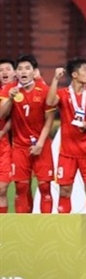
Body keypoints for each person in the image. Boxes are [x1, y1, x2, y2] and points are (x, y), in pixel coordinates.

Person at [0, 55, 55, 213]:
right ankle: (23, 225)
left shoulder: (44, 90)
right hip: (19, 147)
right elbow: (2, 115)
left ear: (34, 71)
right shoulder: (9, 89)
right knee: (21, 188)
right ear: (16, 73)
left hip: (42, 146)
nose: (23, 71)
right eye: (20, 69)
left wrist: (40, 144)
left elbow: (49, 120)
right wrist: (10, 99)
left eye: (27, 68)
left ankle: (46, 225)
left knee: (45, 188)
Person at [46, 58, 86, 214]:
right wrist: (55, 79)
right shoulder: (63, 94)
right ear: (75, 74)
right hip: (67, 153)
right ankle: (65, 225)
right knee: (64, 191)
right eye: (85, 69)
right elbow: (50, 102)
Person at [0, 59, 15, 213]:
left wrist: (3, 132)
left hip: (15, 145)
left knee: (3, 188)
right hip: (5, 143)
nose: (4, 72)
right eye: (1, 70)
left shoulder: (22, 91)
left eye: (7, 69)